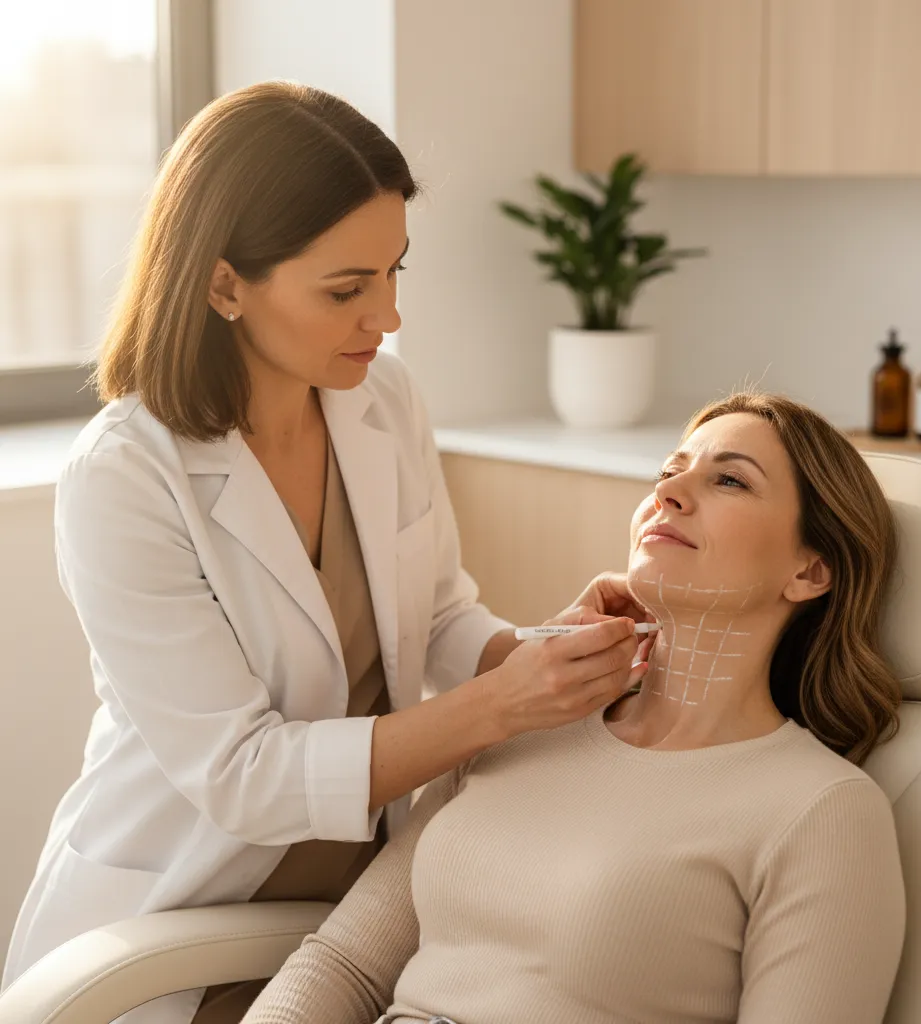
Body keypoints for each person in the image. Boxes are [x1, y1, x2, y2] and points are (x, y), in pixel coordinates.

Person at [0, 83, 651, 1024]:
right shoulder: (126, 476)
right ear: (224, 284)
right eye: (347, 289)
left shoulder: (381, 399)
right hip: (179, 915)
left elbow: (439, 618)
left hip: (357, 911)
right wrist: (502, 707)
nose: (385, 318)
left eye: (395, 274)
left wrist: (540, 653)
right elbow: (244, 777)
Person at [242, 391, 908, 1024]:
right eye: (668, 472)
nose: (667, 493)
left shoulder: (820, 813)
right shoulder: (522, 718)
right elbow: (345, 966)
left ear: (809, 572)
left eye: (729, 481)